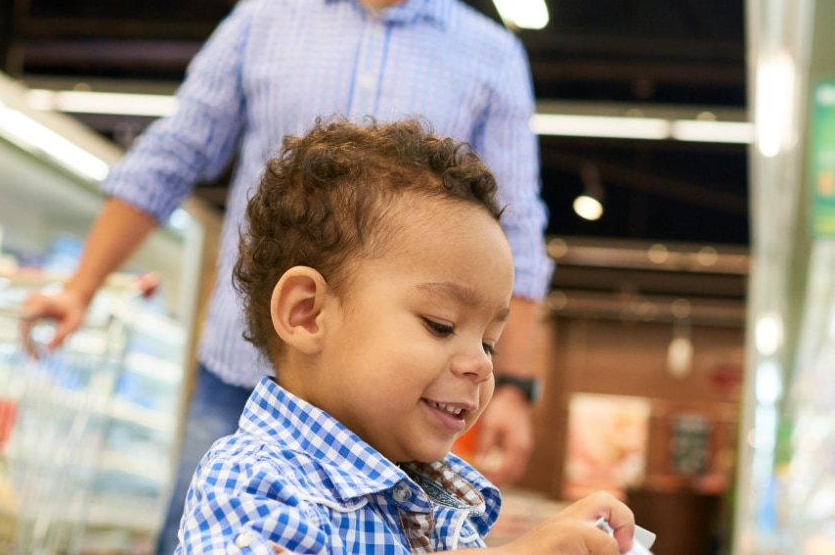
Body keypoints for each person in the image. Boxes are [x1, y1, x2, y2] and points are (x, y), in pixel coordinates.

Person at [20, 0, 551, 551]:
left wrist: (516, 385)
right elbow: (171, 157)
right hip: (239, 375)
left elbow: (517, 228)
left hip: (390, 413)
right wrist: (80, 286)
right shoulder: (262, 24)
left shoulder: (492, 57)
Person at [177, 119, 630, 555]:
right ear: (307, 313)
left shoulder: (439, 503)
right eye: (441, 325)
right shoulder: (253, 478)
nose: (482, 365)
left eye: (489, 342)